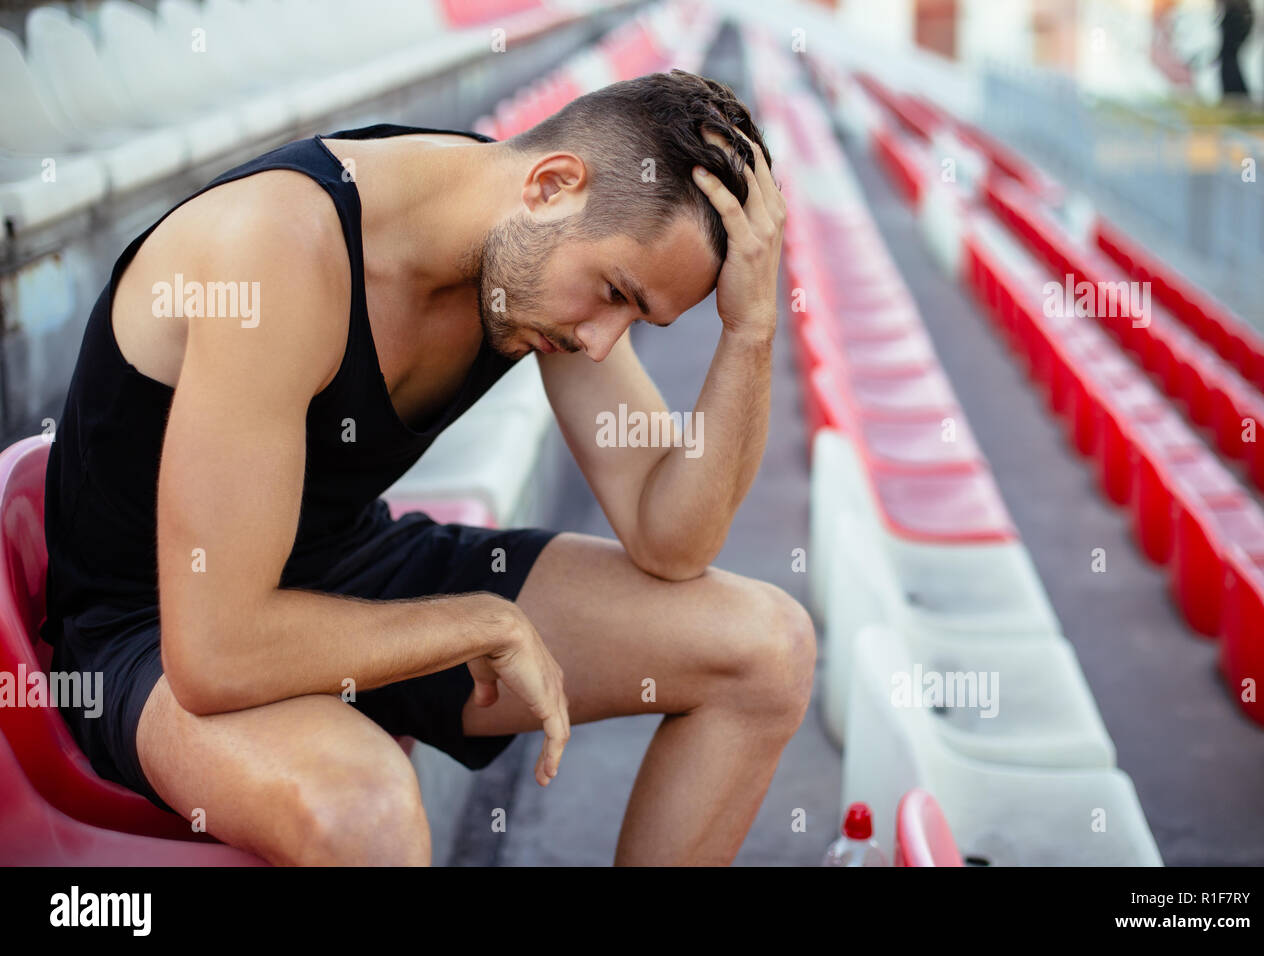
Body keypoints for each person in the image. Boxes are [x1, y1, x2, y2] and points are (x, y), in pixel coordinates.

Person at [42, 69, 814, 865]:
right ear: (551, 185)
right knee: (365, 813)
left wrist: (750, 332)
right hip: (159, 627)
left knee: (767, 650)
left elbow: (672, 539)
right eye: (614, 291)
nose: (601, 342)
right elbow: (216, 653)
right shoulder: (275, 250)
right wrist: (474, 622)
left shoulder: (533, 254)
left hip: (346, 566)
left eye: (638, 316)